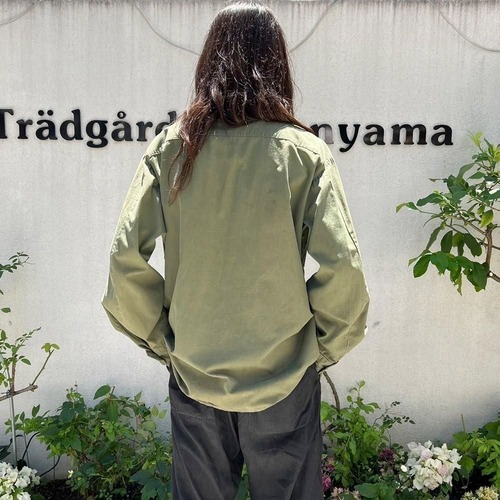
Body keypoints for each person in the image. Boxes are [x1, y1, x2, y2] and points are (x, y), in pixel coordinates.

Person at [102, 2, 370, 499]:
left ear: (209, 62)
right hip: (285, 379)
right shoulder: (303, 153)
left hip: (196, 374)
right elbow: (344, 268)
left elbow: (125, 263)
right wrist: (318, 350)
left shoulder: (172, 148)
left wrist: (165, 343)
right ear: (277, 63)